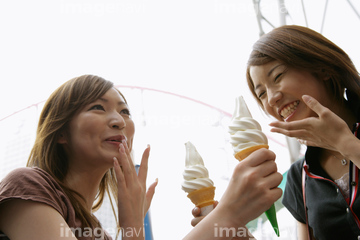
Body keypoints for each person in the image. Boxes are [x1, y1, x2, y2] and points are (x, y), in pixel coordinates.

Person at [0, 74, 282, 240]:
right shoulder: (27, 186)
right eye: (98, 107)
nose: (119, 121)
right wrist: (227, 214)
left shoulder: (97, 232)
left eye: (125, 111)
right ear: (60, 132)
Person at [246, 25, 360, 239]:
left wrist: (345, 144)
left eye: (278, 75)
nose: (271, 98)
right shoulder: (299, 178)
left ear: (322, 68)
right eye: (261, 94)